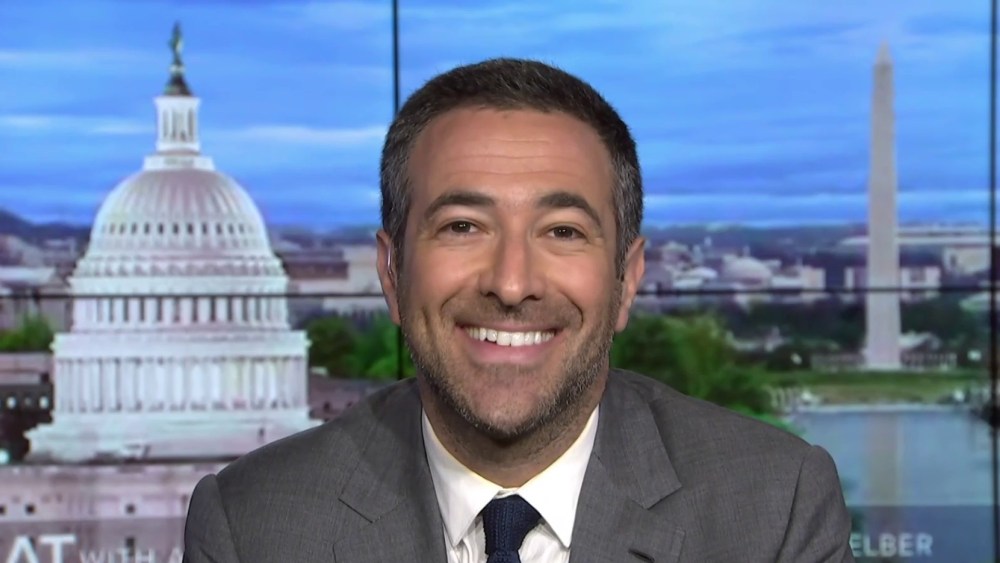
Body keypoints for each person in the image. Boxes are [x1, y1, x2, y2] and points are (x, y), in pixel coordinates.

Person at [183, 58, 854, 563]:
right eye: (462, 227)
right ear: (391, 272)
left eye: (562, 231)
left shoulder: (773, 511)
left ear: (627, 279)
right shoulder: (254, 526)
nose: (511, 283)